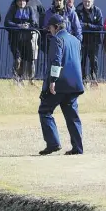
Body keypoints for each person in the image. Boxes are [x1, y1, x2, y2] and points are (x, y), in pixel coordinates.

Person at [38, 14, 85, 156]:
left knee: (45, 110)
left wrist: (52, 81)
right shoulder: (76, 40)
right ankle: (78, 147)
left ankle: (53, 143)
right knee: (72, 116)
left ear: (56, 27)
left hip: (60, 83)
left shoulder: (57, 39)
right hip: (75, 84)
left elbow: (56, 61)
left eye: (50, 28)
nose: (49, 31)